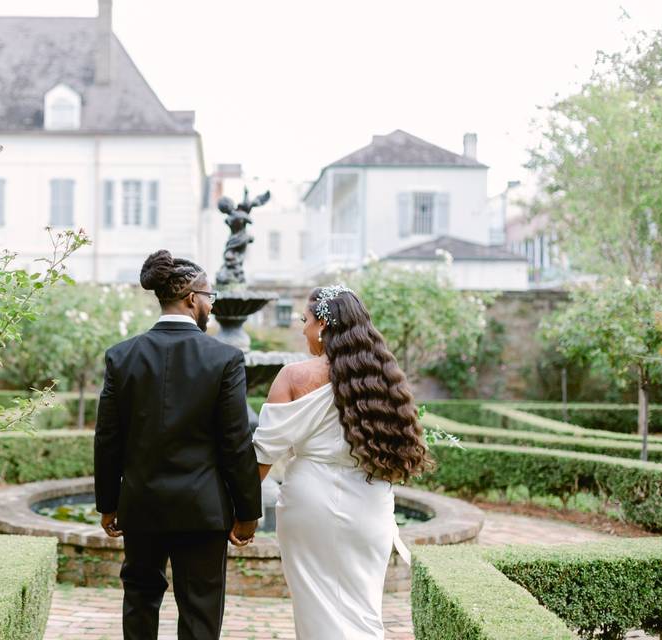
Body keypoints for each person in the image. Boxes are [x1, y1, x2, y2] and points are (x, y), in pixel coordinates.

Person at [94, 249, 263, 640]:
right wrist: (248, 511)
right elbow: (236, 442)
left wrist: (108, 503)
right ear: (192, 299)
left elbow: (108, 438)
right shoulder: (225, 358)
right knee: (200, 611)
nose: (211, 306)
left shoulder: (121, 356)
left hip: (141, 506)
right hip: (202, 510)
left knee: (139, 600)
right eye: (210, 298)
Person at [253, 285, 435, 639]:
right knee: (364, 608)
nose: (302, 329)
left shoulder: (294, 377)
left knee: (314, 607)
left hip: (309, 504)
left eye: (305, 321)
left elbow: (263, 453)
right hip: (369, 505)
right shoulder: (383, 378)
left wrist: (243, 516)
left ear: (322, 324)